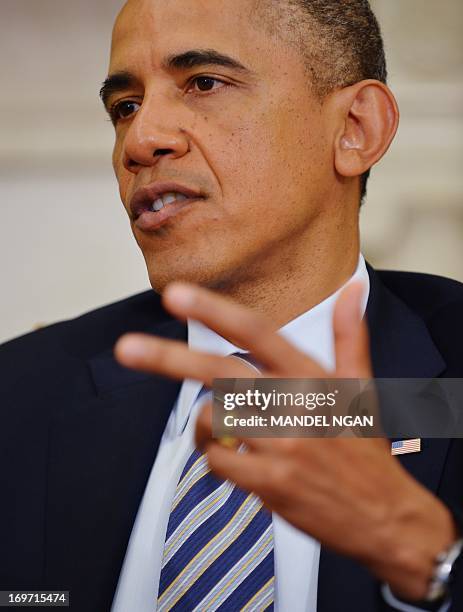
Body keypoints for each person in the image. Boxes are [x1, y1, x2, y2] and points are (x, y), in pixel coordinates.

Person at [1, 0, 462, 610]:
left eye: (204, 83)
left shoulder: (450, 367)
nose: (140, 140)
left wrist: (427, 560)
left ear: (357, 128)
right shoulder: (22, 390)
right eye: (125, 106)